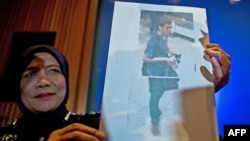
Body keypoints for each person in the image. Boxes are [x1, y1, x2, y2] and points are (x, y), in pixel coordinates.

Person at [142, 16, 231, 136]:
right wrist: (164, 59)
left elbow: (166, 47)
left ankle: (156, 109)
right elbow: (146, 58)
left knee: (168, 88)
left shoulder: (165, 35)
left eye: (171, 27)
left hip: (165, 69)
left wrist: (173, 53)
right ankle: (154, 121)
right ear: (160, 27)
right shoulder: (153, 41)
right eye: (168, 28)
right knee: (155, 96)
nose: (170, 30)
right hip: (155, 72)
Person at [0, 45, 106, 141]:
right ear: (18, 86)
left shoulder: (97, 127)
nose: (43, 82)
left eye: (53, 71)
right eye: (31, 74)